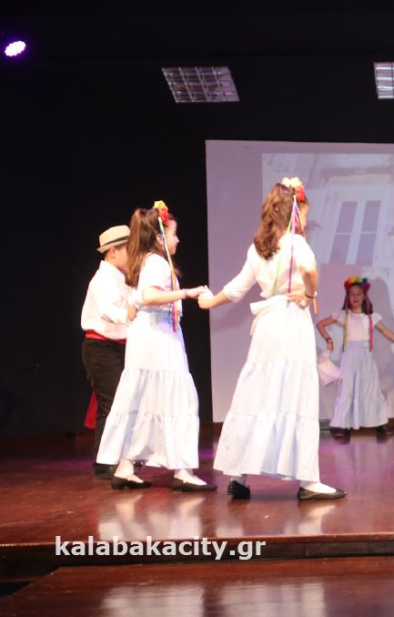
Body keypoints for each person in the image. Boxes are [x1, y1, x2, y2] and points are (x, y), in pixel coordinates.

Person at [198, 179, 345, 501]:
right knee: (295, 394)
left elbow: (237, 288)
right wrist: (310, 293)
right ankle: (309, 481)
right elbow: (310, 270)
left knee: (258, 395)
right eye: (304, 212)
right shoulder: (296, 243)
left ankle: (238, 476)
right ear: (295, 211)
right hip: (291, 321)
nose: (306, 219)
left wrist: (210, 302)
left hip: (267, 326)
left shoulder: (258, 248)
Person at [96, 202, 213, 490]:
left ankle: (126, 467)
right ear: (160, 237)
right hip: (157, 337)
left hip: (147, 336)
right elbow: (148, 296)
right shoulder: (157, 263)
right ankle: (182, 471)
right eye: (174, 233)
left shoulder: (144, 262)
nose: (178, 239)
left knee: (145, 399)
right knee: (176, 400)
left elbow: (136, 303)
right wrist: (186, 293)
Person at [316, 276, 394, 440]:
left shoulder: (371, 316)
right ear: (348, 296)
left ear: (364, 296)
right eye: (352, 294)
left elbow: (386, 331)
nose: (355, 297)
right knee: (347, 389)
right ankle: (344, 425)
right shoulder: (344, 315)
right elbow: (320, 324)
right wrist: (329, 340)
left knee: (371, 388)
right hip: (349, 355)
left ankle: (380, 424)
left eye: (359, 294)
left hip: (365, 355)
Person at [81, 224, 134, 478]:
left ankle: (118, 457)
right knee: (110, 403)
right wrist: (132, 316)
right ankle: (104, 462)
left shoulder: (121, 278)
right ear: (113, 251)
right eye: (128, 249)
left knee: (121, 403)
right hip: (100, 347)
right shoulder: (103, 279)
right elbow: (108, 311)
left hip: (118, 347)